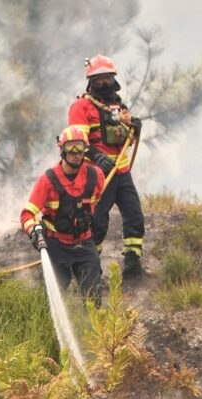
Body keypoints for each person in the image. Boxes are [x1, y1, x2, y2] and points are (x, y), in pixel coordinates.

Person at [68, 54, 146, 277]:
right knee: (96, 225)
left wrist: (134, 127)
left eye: (107, 78)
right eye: (98, 78)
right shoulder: (81, 107)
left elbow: (126, 136)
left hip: (122, 174)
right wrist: (95, 155)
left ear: (114, 78)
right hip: (97, 175)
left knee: (135, 218)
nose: (103, 83)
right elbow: (76, 141)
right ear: (90, 81)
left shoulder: (118, 106)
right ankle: (91, 273)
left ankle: (133, 267)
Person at [20, 125, 105, 300]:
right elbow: (27, 214)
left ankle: (91, 326)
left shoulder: (95, 176)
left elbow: (96, 206)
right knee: (51, 297)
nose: (76, 153)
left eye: (80, 147)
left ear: (85, 149)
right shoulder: (48, 180)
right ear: (62, 150)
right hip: (56, 245)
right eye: (70, 147)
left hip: (84, 243)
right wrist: (34, 231)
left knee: (94, 295)